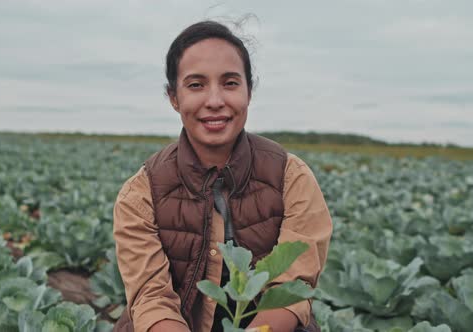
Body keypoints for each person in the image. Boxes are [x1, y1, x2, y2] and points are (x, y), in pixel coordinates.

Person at [113, 20, 333, 332]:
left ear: (249, 91)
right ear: (173, 97)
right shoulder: (141, 192)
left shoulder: (291, 176)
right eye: (195, 85)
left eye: (230, 83)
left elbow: (290, 290)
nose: (215, 101)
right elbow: (152, 297)